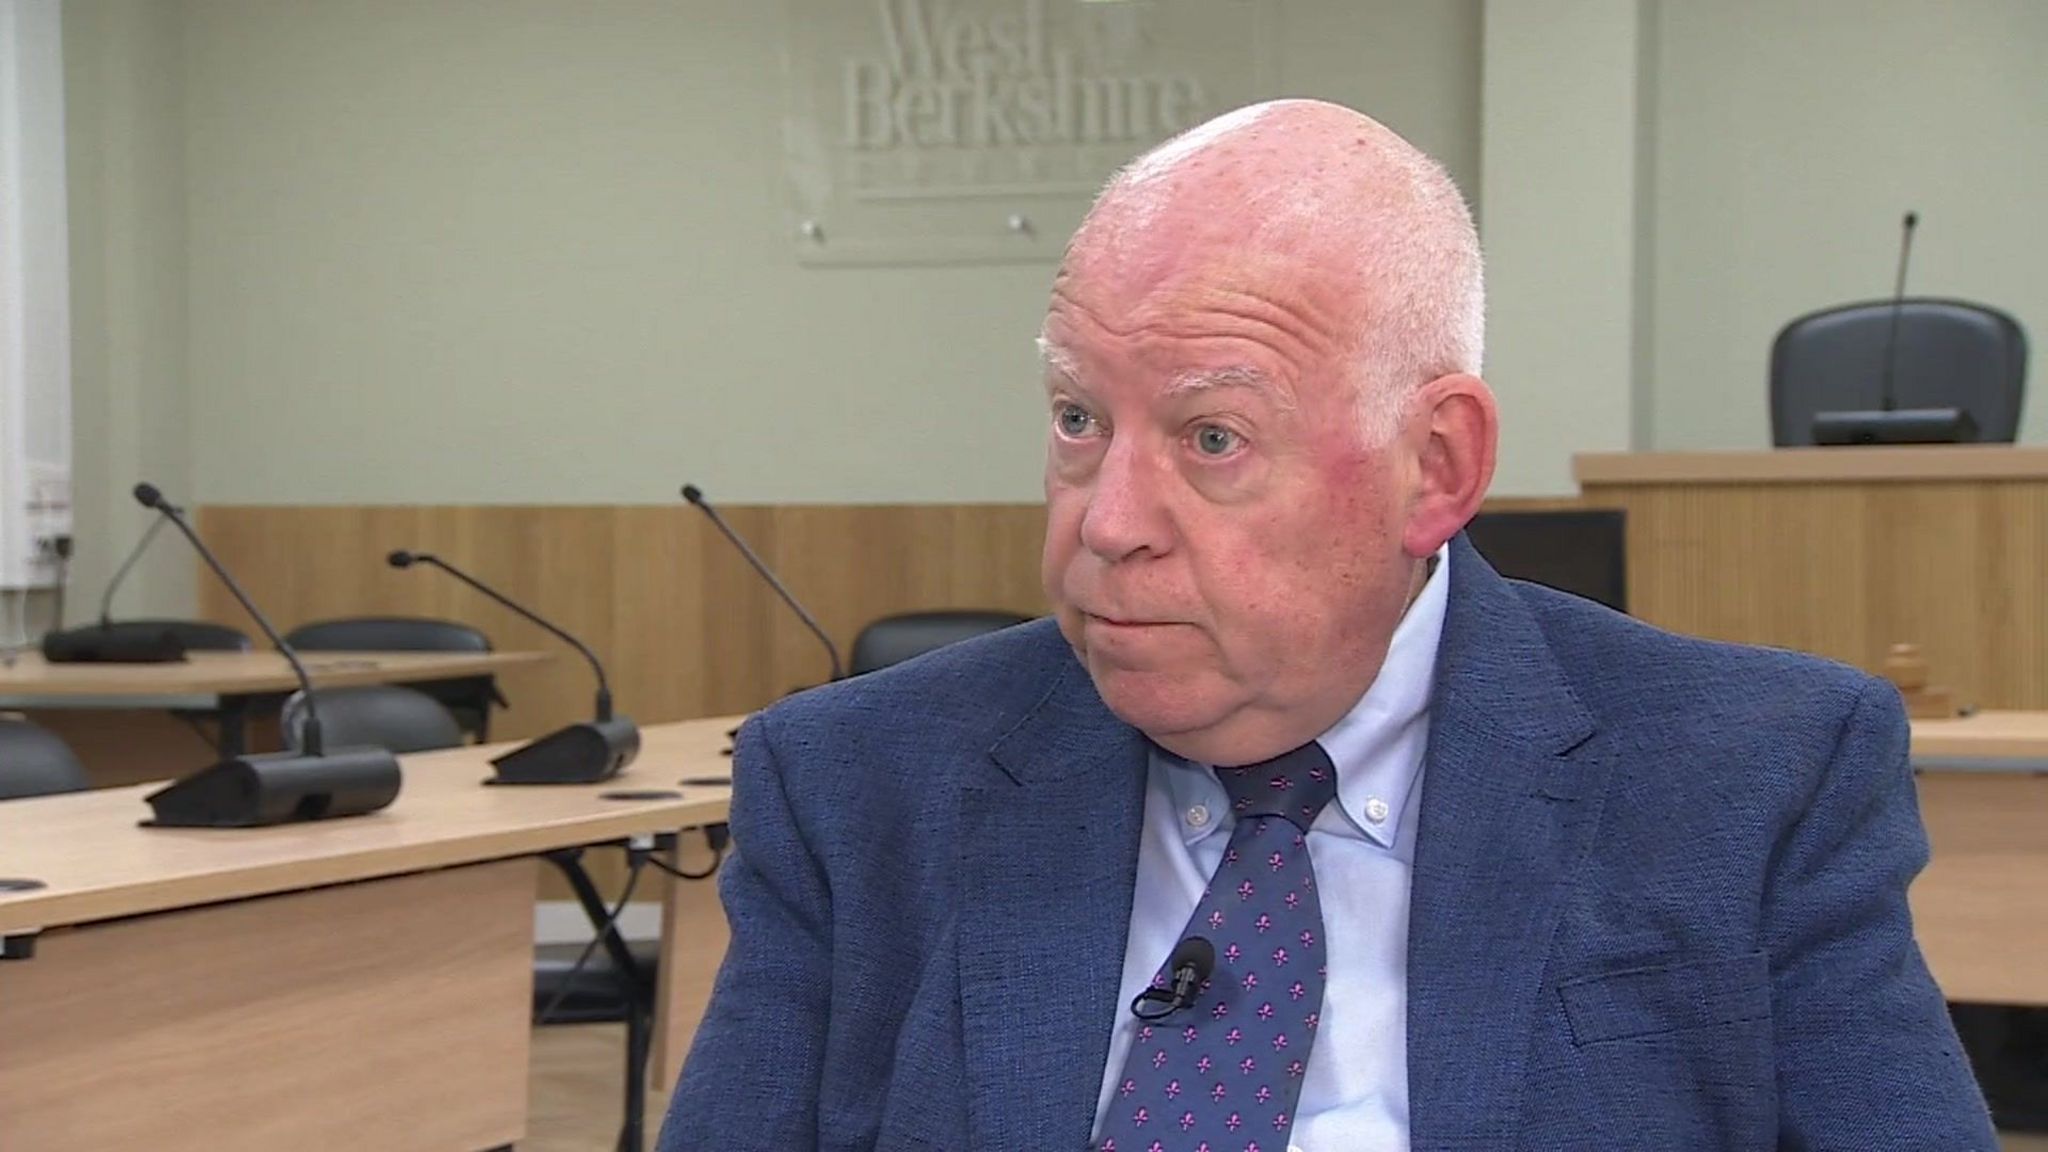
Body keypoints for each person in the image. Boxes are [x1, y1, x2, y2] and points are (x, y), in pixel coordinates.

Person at [658, 99, 1995, 1151]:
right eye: (1079, 419)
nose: (1106, 520)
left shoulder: (1759, 782)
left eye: (1213, 436)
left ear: (1438, 466)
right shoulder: (853, 791)